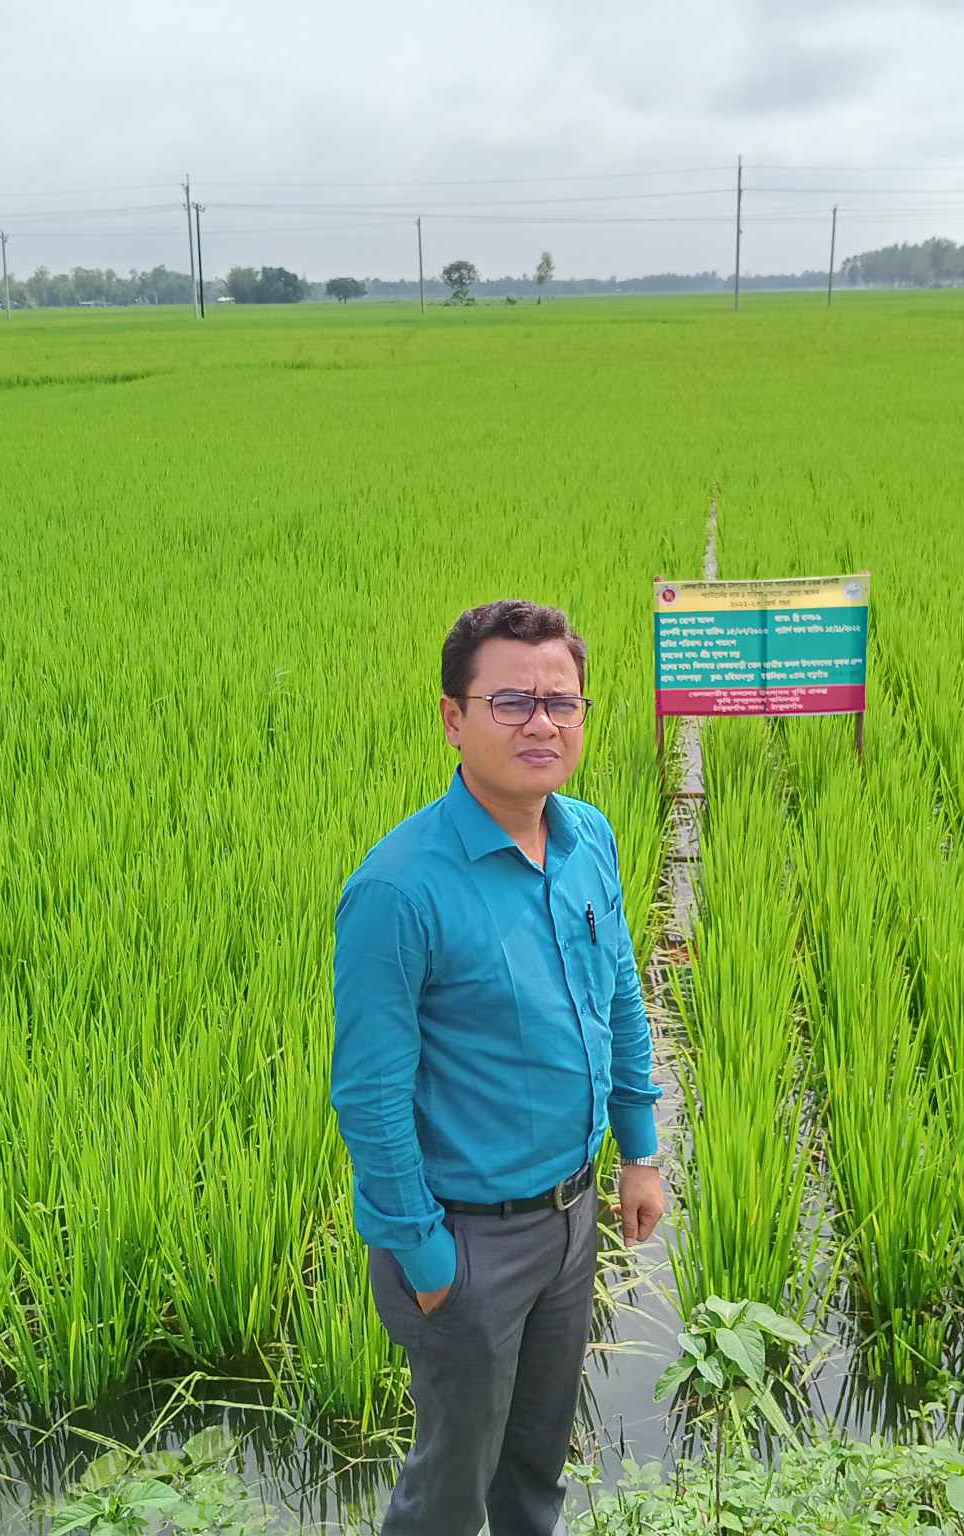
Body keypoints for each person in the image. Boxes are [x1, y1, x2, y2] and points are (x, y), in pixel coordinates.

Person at [331, 599, 667, 1536]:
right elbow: (369, 1094)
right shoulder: (398, 890)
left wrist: (639, 1152)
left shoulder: (588, 836)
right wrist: (426, 1258)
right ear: (453, 717)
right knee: (449, 1491)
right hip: (467, 1242)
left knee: (535, 1467)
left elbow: (620, 994)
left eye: (562, 703)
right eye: (511, 702)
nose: (541, 724)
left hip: (572, 1216)